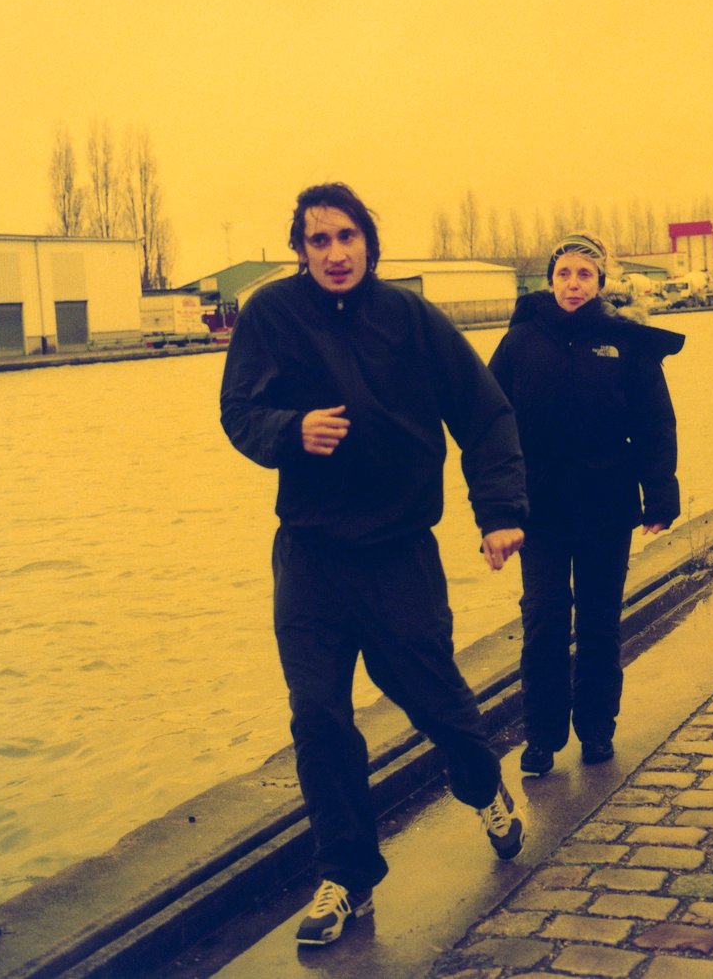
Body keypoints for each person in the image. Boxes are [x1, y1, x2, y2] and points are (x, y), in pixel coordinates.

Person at [220, 183, 530, 947]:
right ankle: (346, 876)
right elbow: (238, 411)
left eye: (347, 237)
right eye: (318, 240)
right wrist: (292, 431)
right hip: (311, 555)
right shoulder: (270, 315)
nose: (334, 253)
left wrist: (499, 513)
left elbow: (485, 412)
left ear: (370, 243)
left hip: (398, 552)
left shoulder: (412, 320)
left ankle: (483, 783)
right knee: (318, 718)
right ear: (299, 249)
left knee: (438, 704)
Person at [488, 234, 684, 776]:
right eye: (564, 274)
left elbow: (655, 422)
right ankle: (542, 737)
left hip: (606, 503)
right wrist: (498, 505)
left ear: (599, 284)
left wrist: (660, 493)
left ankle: (597, 729)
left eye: (584, 276)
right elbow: (490, 421)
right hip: (541, 509)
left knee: (600, 621)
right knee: (544, 620)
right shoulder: (521, 340)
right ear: (550, 279)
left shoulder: (624, 341)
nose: (573, 285)